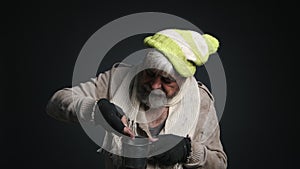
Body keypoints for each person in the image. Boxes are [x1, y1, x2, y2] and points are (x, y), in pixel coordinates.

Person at [46, 28, 227, 169]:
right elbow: (56, 102)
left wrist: (189, 151)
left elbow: (219, 163)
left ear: (184, 80)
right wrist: (95, 110)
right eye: (149, 74)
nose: (155, 86)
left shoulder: (200, 101)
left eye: (166, 80)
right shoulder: (116, 79)